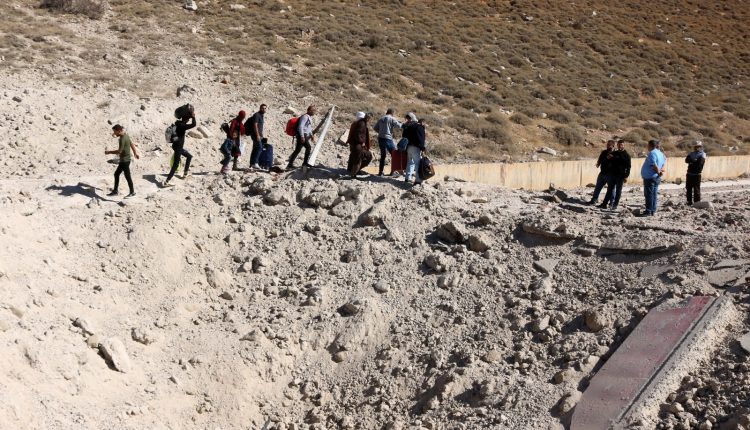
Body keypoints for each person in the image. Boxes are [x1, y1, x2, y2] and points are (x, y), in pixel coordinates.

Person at [105, 124, 139, 197]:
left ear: (119, 131)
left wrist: (109, 152)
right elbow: (132, 145)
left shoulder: (122, 139)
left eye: (115, 131)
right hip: (126, 160)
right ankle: (115, 191)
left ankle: (132, 192)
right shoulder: (126, 135)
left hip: (124, 161)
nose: (114, 133)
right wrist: (135, 153)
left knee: (127, 176)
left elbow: (119, 151)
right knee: (116, 174)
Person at [164, 112, 196, 187]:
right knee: (175, 165)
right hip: (178, 147)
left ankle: (185, 174)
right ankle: (166, 182)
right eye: (188, 119)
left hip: (177, 146)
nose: (188, 120)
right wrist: (193, 117)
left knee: (189, 156)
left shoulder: (179, 123)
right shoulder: (182, 126)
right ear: (186, 119)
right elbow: (193, 124)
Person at [601, 140, 631, 210]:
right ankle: (604, 204)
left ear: (624, 145)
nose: (620, 146)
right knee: (609, 190)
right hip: (612, 174)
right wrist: (607, 158)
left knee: (618, 191)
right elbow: (606, 161)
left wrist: (626, 176)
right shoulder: (614, 153)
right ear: (617, 145)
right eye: (619, 145)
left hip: (620, 176)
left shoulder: (626, 155)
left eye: (621, 145)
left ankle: (615, 205)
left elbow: (628, 167)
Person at [640, 139, 667, 216]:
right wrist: (660, 172)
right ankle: (653, 210)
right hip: (656, 177)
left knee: (649, 194)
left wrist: (658, 172)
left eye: (648, 145)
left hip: (650, 177)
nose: (647, 147)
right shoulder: (661, 153)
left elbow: (654, 165)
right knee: (654, 194)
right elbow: (663, 164)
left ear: (650, 145)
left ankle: (648, 211)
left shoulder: (652, 153)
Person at [373, 108, 402, 176]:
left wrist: (380, 132)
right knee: (394, 155)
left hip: (380, 138)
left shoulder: (381, 118)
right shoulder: (391, 118)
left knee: (383, 155)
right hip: (388, 138)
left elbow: (375, 128)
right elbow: (399, 126)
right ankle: (393, 172)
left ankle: (380, 172)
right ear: (392, 113)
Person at [346, 112, 373, 178]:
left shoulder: (359, 123)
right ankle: (353, 174)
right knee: (363, 158)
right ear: (368, 118)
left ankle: (351, 170)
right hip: (358, 145)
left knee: (355, 158)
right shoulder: (362, 124)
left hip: (354, 144)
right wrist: (362, 142)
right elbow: (358, 134)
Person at [588, 140, 616, 205]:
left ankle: (612, 203)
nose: (607, 146)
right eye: (607, 145)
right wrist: (598, 163)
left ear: (613, 146)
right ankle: (594, 200)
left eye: (609, 145)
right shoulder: (604, 152)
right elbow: (600, 159)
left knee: (611, 189)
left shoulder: (616, 153)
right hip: (602, 173)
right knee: (597, 187)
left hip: (611, 174)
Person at [287, 105, 316, 169]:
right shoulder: (304, 117)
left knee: (297, 150)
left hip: (304, 135)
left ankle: (290, 164)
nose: (314, 112)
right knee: (308, 147)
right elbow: (301, 126)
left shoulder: (309, 117)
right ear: (309, 110)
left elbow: (309, 128)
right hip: (302, 135)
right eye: (313, 110)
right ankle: (305, 163)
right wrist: (302, 136)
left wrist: (311, 135)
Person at [403, 112, 426, 185]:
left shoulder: (408, 127)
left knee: (410, 162)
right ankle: (418, 180)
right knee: (417, 163)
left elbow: (403, 136)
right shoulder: (419, 127)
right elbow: (421, 139)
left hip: (408, 147)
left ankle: (407, 178)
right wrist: (422, 148)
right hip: (415, 148)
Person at [685, 140, 706, 205]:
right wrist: (694, 161)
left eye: (698, 146)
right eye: (695, 146)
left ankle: (697, 203)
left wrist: (692, 162)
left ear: (700, 147)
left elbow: (700, 164)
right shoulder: (691, 153)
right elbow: (686, 160)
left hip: (697, 174)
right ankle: (689, 202)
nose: (696, 148)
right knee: (688, 188)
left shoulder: (703, 154)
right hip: (689, 174)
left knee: (696, 189)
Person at [246, 104, 267, 170]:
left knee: (255, 148)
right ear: (260, 108)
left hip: (259, 135)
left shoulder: (261, 116)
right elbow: (255, 125)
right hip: (255, 135)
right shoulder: (257, 115)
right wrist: (257, 135)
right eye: (262, 108)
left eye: (265, 108)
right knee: (259, 147)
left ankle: (252, 164)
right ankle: (255, 163)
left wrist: (261, 135)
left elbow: (260, 126)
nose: (264, 109)